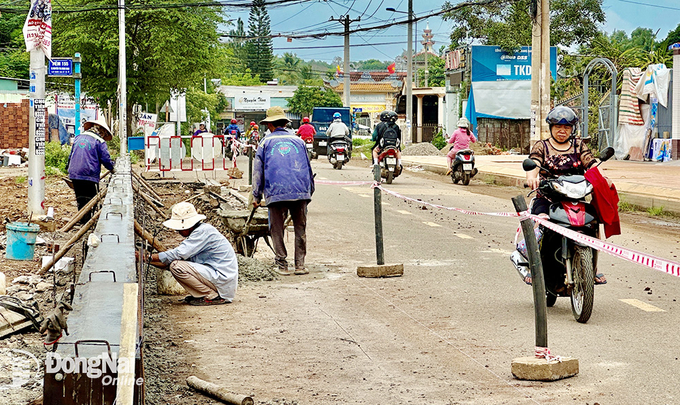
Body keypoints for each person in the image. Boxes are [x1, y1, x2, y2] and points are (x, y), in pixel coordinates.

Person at [521, 105, 609, 285]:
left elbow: (591, 164)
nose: (562, 131)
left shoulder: (578, 145)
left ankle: (592, 268)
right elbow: (535, 164)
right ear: (551, 128)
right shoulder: (542, 146)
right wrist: (532, 178)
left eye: (567, 127)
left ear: (572, 129)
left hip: (575, 198)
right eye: (558, 127)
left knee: (592, 223)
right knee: (542, 222)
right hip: (548, 198)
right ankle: (534, 265)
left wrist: (603, 178)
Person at [252, 106, 314, 276]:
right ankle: (300, 265)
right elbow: (308, 168)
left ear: (270, 125)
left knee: (277, 228)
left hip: (276, 191)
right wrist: (308, 192)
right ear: (284, 123)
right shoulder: (299, 141)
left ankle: (282, 264)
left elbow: (258, 171)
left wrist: (256, 195)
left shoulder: (265, 143)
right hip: (300, 191)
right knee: (300, 228)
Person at [139, 202, 238, 306]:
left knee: (177, 266)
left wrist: (146, 256)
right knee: (175, 264)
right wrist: (145, 260)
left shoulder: (202, 232)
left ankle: (210, 295)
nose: (177, 231)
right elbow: (170, 260)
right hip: (220, 276)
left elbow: (177, 255)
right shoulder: (200, 231)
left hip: (222, 277)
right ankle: (206, 293)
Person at [67, 118, 115, 223]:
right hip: (89, 173)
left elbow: (70, 156)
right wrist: (112, 168)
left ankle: (82, 221)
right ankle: (87, 222)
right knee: (90, 199)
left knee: (80, 198)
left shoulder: (78, 137)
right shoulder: (99, 141)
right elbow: (105, 159)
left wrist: (68, 169)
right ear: (102, 131)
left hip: (74, 173)